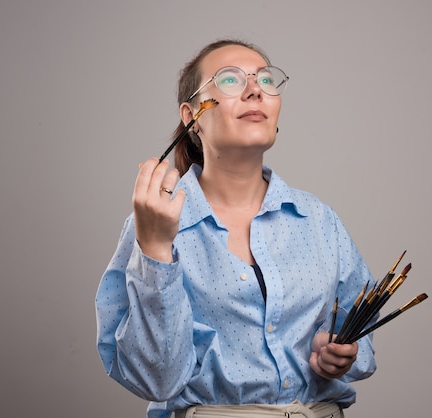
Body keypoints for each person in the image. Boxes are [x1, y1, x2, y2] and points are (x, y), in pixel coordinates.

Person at [95, 39, 377, 418]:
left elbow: (362, 328)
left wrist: (343, 353)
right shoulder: (154, 222)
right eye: (229, 80)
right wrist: (157, 248)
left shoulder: (318, 220)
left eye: (265, 79)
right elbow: (157, 380)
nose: (254, 89)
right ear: (192, 115)